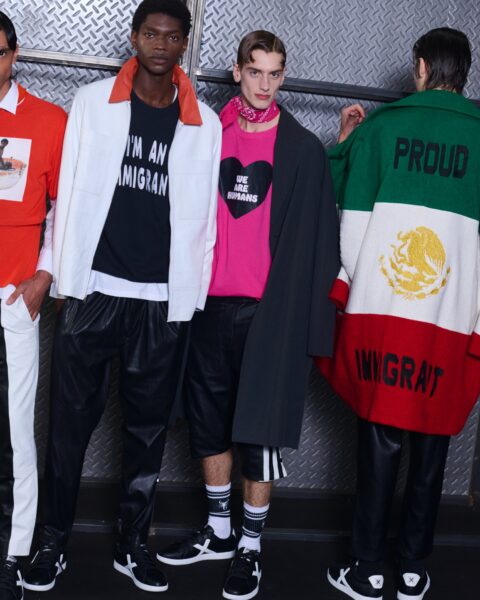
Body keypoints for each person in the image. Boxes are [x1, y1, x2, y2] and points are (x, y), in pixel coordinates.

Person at [23, 0, 221, 594]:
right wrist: (64, 278)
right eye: (151, 34)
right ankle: (52, 542)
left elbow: (207, 221)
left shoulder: (205, 123)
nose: (160, 45)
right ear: (135, 37)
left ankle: (132, 544)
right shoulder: (92, 103)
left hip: (161, 300)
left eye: (172, 36)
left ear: (184, 44)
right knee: (68, 427)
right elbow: (65, 196)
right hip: (95, 290)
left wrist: (191, 298)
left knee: (147, 430)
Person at [157, 30, 340, 600]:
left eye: (274, 73)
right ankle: (218, 531)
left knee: (259, 432)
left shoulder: (302, 149)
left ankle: (251, 547)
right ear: (237, 72)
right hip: (207, 306)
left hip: (269, 314)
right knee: (207, 422)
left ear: (283, 76)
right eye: (255, 71)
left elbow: (323, 240)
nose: (264, 84)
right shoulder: (209, 133)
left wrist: (313, 331)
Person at [319, 27, 480, 600]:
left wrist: (345, 143)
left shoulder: (383, 128)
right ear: (464, 72)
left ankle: (366, 568)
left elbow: (348, 223)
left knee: (381, 436)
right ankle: (412, 568)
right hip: (452, 315)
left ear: (421, 67)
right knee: (433, 436)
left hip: (384, 311)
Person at [0, 10, 67, 600]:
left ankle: (12, 552)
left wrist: (45, 275)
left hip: (12, 297)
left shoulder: (47, 121)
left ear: (14, 54)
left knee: (14, 433)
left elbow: (67, 208)